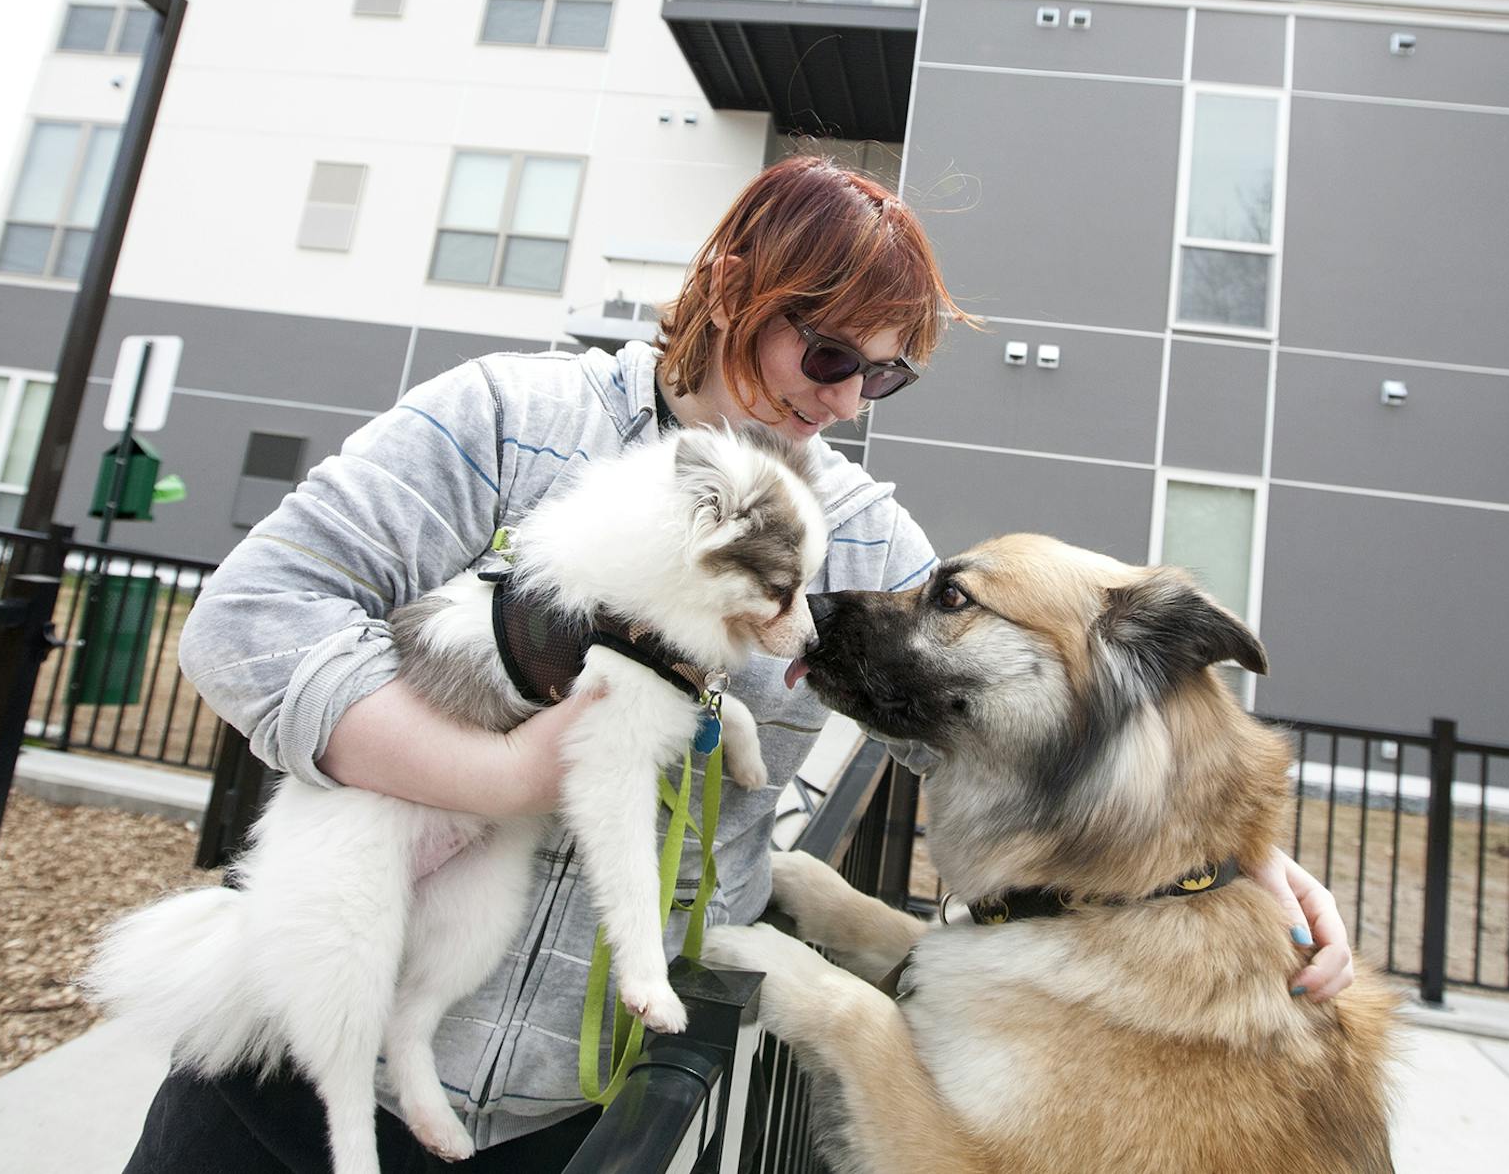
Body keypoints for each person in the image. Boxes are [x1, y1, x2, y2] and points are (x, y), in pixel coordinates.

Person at [123, 157, 1355, 1172]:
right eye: (828, 356)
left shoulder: (860, 538)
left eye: (885, 373)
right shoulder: (510, 422)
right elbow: (249, 621)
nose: (846, 402)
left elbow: (1031, 704)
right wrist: (492, 775)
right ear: (728, 285)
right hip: (296, 1058)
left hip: (574, 1113)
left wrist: (1228, 870)